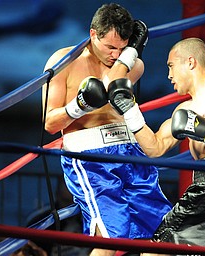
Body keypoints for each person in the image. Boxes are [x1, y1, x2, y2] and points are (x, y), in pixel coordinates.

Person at [108, 37, 205, 251]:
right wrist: (130, 111)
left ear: (190, 62)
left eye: (171, 66)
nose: (169, 75)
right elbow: (155, 148)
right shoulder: (183, 111)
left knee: (157, 252)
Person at [42, 3, 172, 256]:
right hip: (91, 157)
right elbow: (49, 124)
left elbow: (110, 85)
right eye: (110, 47)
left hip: (129, 148)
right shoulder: (63, 62)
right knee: (111, 235)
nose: (115, 54)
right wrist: (78, 106)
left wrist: (130, 54)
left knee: (160, 232)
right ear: (93, 34)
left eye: (122, 48)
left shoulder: (133, 65)